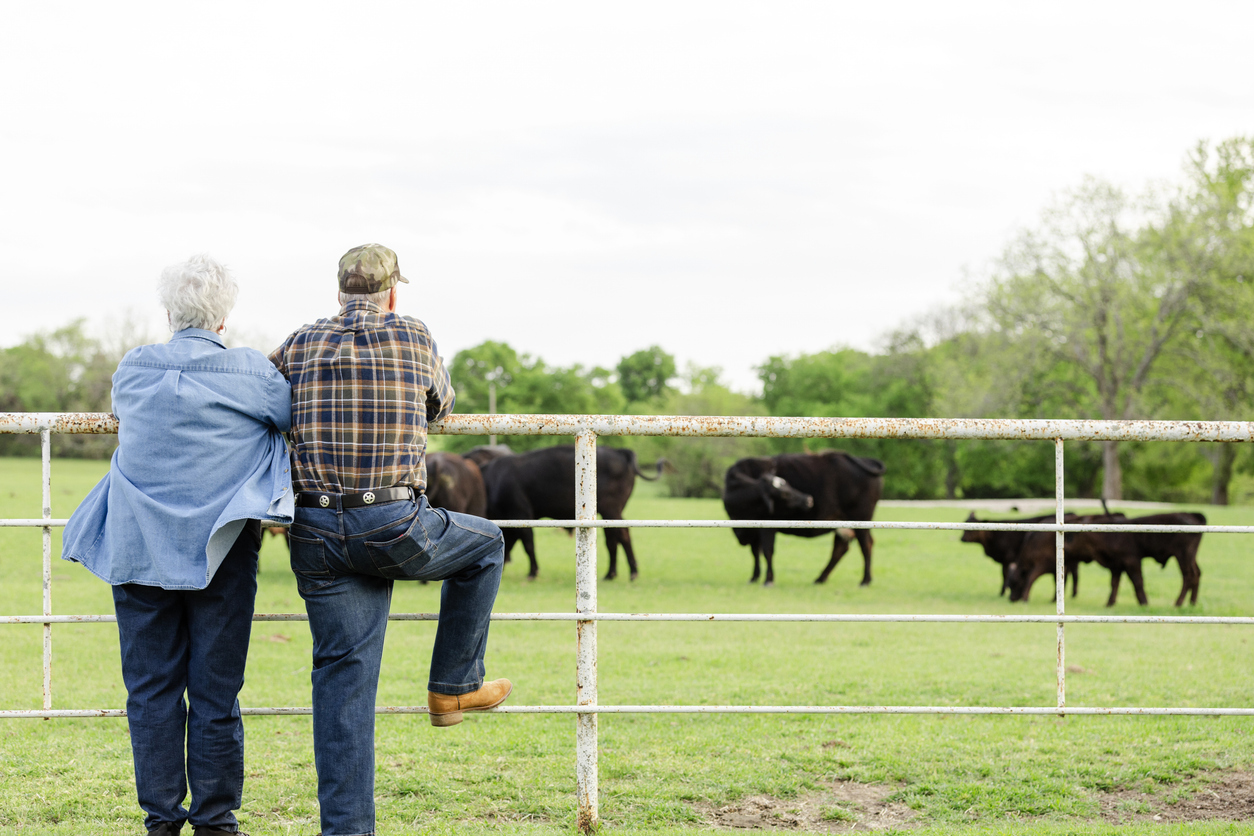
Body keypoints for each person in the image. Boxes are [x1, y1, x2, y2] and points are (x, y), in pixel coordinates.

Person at [269, 243, 509, 836]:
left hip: (317, 529)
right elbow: (441, 408)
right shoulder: (414, 334)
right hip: (394, 523)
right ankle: (453, 687)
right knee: (487, 544)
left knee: (343, 683)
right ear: (393, 291)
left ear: (340, 291)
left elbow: (271, 403)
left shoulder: (299, 342)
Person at [62, 254, 294, 836]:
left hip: (138, 542)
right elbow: (286, 415)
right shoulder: (251, 373)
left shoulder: (134, 368)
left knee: (150, 690)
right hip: (222, 547)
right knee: (216, 692)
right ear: (224, 317)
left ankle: (161, 820)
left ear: (169, 312)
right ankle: (216, 821)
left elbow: (125, 413)